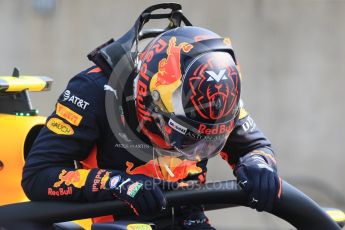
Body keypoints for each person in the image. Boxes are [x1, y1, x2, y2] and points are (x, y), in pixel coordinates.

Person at [22, 5, 281, 230]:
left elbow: (254, 147)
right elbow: (38, 175)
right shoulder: (92, 91)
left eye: (205, 143)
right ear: (148, 98)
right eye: (186, 136)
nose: (194, 151)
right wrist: (116, 183)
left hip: (189, 218)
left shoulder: (216, 98)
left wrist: (259, 165)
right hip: (118, 220)